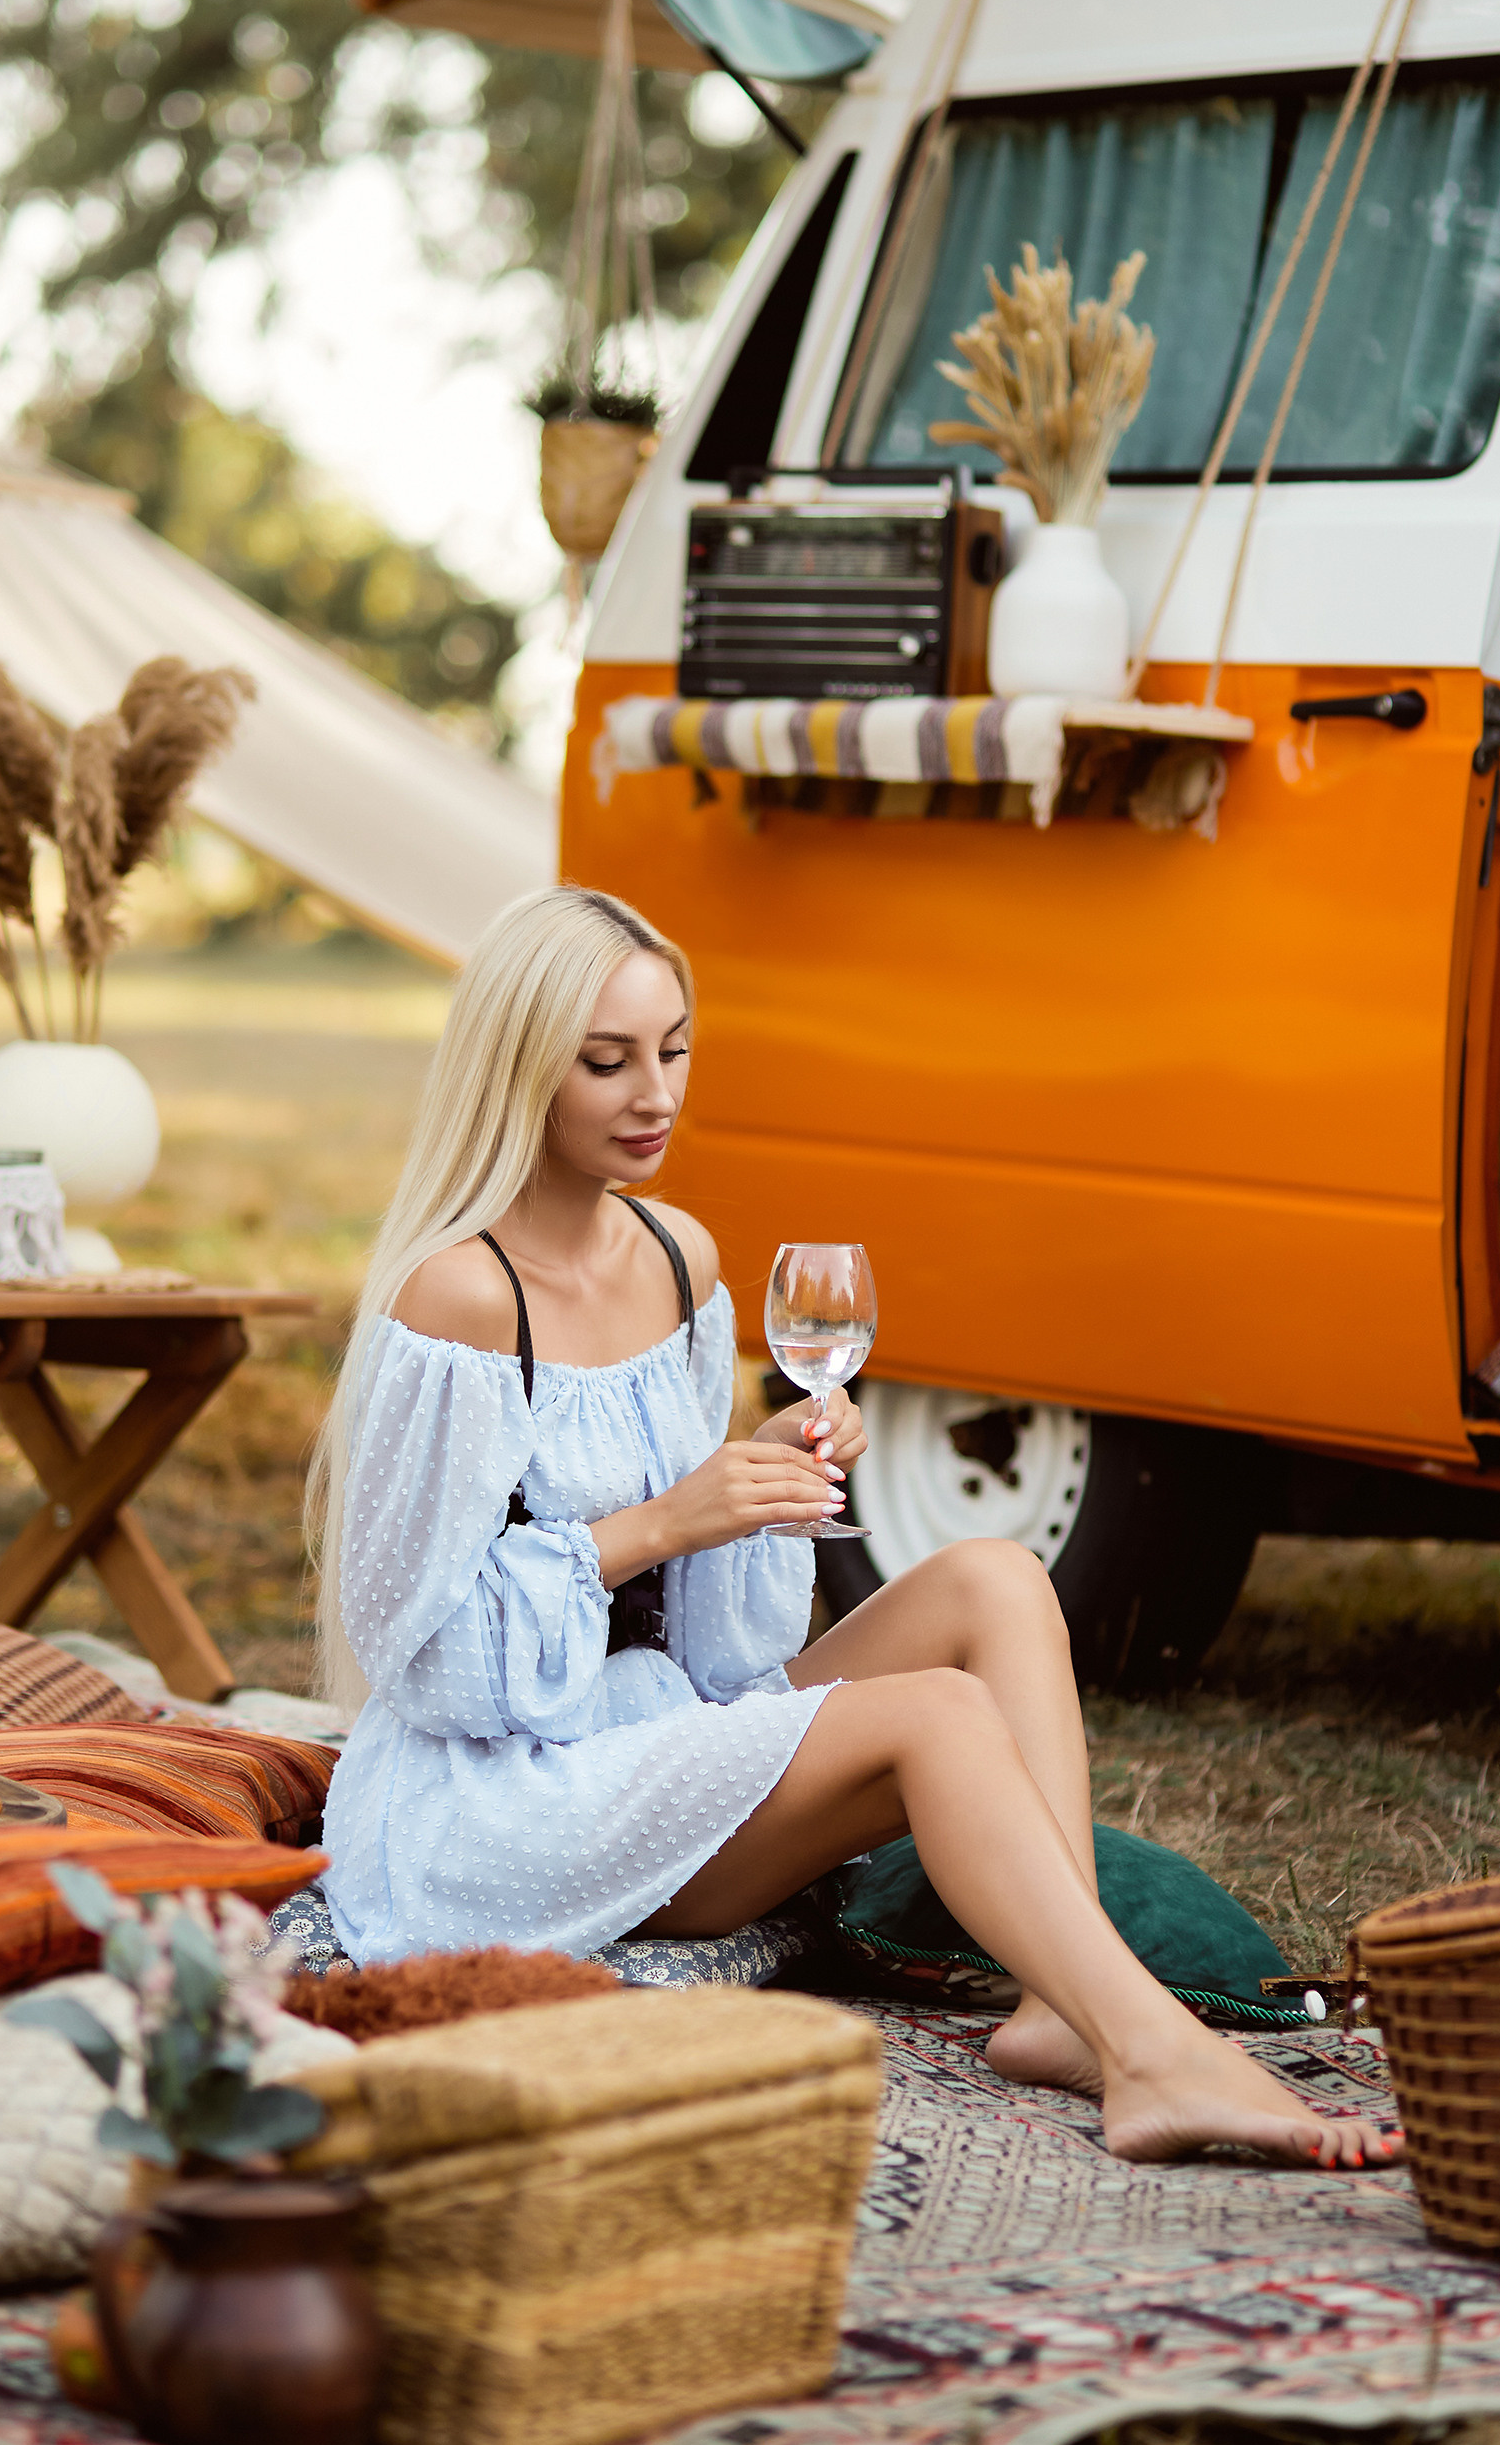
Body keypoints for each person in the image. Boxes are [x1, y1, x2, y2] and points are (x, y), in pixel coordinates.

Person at [312, 885, 1396, 2169]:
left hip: (657, 1729)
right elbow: (417, 1654)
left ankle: (1062, 2008)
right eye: (606, 1062)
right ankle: (1154, 2055)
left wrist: (764, 1483)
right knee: (934, 1715)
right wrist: (662, 1522)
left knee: (994, 1580)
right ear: (519, 1069)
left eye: (673, 1050)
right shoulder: (457, 1298)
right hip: (500, 1799)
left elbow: (724, 1655)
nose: (655, 1095)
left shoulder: (677, 1259)